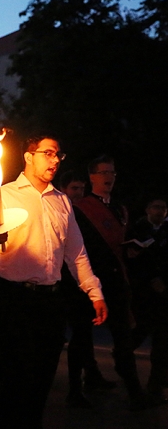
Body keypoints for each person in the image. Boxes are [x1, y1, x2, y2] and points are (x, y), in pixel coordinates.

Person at [0, 134, 107, 428]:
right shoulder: (5, 196)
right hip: (12, 297)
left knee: (43, 376)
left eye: (58, 155)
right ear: (28, 156)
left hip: (50, 299)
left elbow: (77, 253)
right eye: (48, 153)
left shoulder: (61, 201)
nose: (54, 161)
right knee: (15, 378)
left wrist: (94, 292)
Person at [73, 155, 165, 411]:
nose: (109, 177)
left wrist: (129, 252)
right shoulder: (81, 209)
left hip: (115, 280)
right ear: (92, 176)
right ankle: (75, 388)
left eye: (112, 172)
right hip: (89, 280)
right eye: (103, 172)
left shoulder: (120, 209)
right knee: (81, 336)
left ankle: (135, 390)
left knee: (123, 336)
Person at [58, 170, 115, 408]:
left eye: (81, 189)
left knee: (82, 335)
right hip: (62, 284)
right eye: (74, 189)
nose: (79, 194)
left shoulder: (83, 214)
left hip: (80, 284)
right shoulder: (60, 213)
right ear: (63, 190)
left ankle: (83, 381)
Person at [126, 198, 168, 400]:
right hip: (143, 292)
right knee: (138, 332)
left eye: (163, 208)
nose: (160, 211)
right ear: (147, 209)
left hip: (163, 294)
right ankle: (125, 371)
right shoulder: (137, 229)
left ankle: (156, 384)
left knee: (162, 341)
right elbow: (132, 259)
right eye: (156, 207)